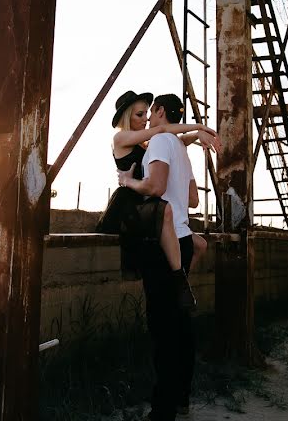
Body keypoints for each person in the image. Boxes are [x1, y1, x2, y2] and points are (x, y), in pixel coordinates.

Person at [117, 93, 200, 421]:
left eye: (150, 112)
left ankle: (162, 411)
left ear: (161, 111)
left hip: (160, 243)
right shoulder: (178, 148)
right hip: (183, 239)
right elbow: (192, 199)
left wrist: (129, 181)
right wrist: (196, 133)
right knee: (180, 327)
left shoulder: (163, 141)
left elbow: (154, 186)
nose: (148, 118)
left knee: (163, 331)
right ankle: (180, 400)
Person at [110, 91, 216, 280]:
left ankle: (181, 280)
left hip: (148, 200)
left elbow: (177, 140)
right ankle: (179, 280)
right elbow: (162, 131)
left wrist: (196, 135)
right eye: (139, 114)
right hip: (131, 203)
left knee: (198, 244)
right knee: (165, 213)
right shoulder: (120, 138)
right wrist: (200, 126)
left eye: (146, 113)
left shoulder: (146, 144)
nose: (145, 119)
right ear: (127, 116)